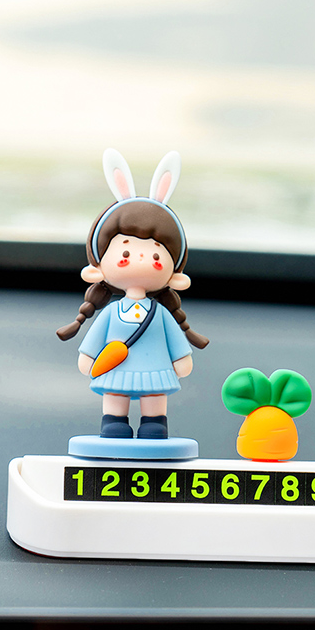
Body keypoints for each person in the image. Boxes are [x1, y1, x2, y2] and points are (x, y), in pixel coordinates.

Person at [57, 149, 208, 439]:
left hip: (154, 370)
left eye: (155, 255)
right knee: (115, 395)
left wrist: (181, 357)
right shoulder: (111, 312)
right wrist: (88, 355)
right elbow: (96, 336)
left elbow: (174, 339)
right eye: (125, 252)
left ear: (175, 275)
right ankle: (114, 422)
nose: (140, 259)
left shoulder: (161, 314)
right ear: (97, 269)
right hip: (117, 370)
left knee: (154, 398)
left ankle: (154, 424)